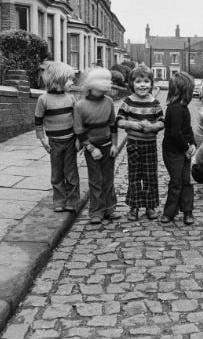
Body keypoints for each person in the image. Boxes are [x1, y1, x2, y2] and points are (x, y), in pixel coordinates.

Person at [73, 67, 121, 225]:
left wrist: (115, 145)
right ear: (92, 84)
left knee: (108, 179)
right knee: (95, 180)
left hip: (108, 146)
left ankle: (110, 209)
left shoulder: (109, 102)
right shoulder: (80, 106)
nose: (108, 84)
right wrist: (91, 148)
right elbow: (79, 131)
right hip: (92, 148)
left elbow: (113, 125)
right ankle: (96, 212)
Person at [116, 66, 165, 221]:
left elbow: (162, 122)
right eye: (138, 82)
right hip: (134, 143)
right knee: (134, 175)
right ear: (132, 84)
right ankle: (134, 207)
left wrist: (152, 127)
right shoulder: (128, 102)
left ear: (151, 84)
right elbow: (119, 120)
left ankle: (150, 206)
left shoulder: (155, 103)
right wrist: (130, 124)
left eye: (146, 81)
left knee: (150, 176)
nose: (142, 85)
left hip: (150, 145)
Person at [34, 61, 80, 213]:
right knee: (57, 173)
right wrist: (42, 139)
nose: (72, 82)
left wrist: (79, 139)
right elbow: (38, 121)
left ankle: (73, 201)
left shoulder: (71, 98)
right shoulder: (43, 100)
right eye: (69, 79)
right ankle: (59, 200)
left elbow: (77, 120)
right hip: (54, 143)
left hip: (70, 141)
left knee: (71, 172)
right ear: (57, 80)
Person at [160, 72, 197, 225]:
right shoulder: (175, 109)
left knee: (186, 181)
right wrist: (186, 148)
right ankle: (169, 212)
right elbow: (175, 134)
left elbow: (187, 129)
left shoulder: (183, 108)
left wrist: (193, 143)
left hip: (183, 151)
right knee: (176, 182)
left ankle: (188, 210)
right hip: (173, 152)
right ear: (184, 91)